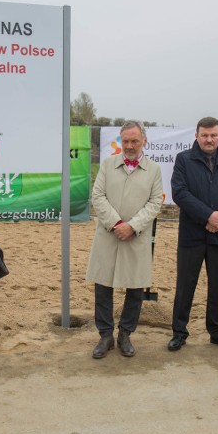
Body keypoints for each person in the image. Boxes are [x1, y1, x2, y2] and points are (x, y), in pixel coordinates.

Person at [169, 116, 218, 352]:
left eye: (213, 135)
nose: (209, 139)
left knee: (217, 286)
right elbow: (179, 193)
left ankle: (216, 331)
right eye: (204, 135)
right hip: (192, 235)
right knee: (185, 285)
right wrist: (207, 216)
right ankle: (179, 332)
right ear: (197, 136)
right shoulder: (184, 159)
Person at [86, 121, 163, 358]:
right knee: (103, 284)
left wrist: (133, 226)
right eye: (126, 141)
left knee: (135, 287)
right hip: (109, 235)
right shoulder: (108, 165)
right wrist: (117, 224)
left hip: (136, 238)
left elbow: (154, 203)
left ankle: (126, 334)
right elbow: (97, 195)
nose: (129, 146)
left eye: (134, 141)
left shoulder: (154, 170)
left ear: (144, 142)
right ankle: (106, 335)